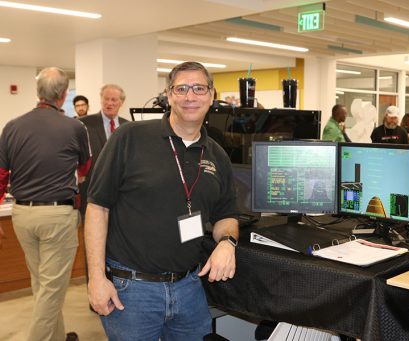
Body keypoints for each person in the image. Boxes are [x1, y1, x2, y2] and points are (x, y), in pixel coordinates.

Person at [85, 61, 239, 340]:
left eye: (199, 88)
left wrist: (227, 243)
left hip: (189, 287)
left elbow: (226, 215)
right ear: (169, 96)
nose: (190, 96)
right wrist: (96, 278)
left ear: (211, 95)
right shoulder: (129, 137)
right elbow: (97, 208)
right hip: (131, 291)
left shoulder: (216, 155)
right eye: (181, 88)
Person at [0, 67, 91, 341]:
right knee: (51, 289)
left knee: (42, 283)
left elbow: (1, 176)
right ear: (64, 95)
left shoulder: (12, 126)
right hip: (56, 216)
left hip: (21, 216)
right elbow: (85, 169)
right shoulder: (75, 127)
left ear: (37, 92)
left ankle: (58, 337)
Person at [78, 84, 128, 218]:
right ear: (101, 100)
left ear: (121, 102)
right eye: (106, 99)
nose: (109, 103)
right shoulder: (83, 124)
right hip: (91, 189)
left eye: (114, 100)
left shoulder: (128, 127)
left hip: (120, 192)